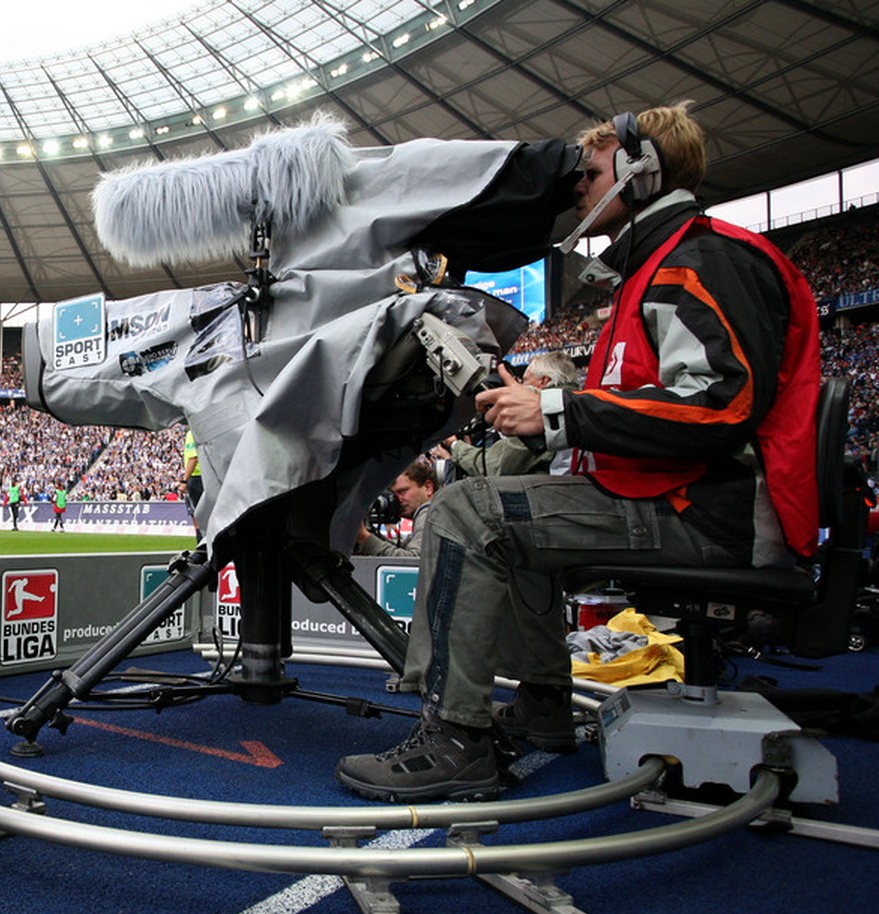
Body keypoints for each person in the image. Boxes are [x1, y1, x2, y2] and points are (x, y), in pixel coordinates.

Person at [336, 102, 821, 802]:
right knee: (517, 522)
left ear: (640, 171)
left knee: (463, 513)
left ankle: (455, 738)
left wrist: (556, 411)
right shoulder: (661, 266)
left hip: (706, 509)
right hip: (676, 496)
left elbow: (719, 404)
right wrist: (541, 417)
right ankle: (542, 704)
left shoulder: (700, 260)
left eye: (591, 173)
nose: (578, 189)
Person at [431, 351, 581, 478]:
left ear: (543, 381)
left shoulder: (539, 411)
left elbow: (492, 467)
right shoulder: (582, 404)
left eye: (525, 381)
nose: (520, 386)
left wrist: (455, 445)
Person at [355, 460, 437, 556]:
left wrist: (364, 538)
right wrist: (370, 534)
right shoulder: (438, 510)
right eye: (393, 494)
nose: (397, 500)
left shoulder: (430, 513)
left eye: (402, 491)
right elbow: (402, 550)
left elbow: (413, 562)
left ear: (428, 488)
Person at [178, 427, 203, 541]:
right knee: (197, 515)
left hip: (197, 477)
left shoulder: (193, 433)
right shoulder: (192, 433)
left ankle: (202, 546)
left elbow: (193, 458)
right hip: (198, 477)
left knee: (197, 516)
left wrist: (184, 480)